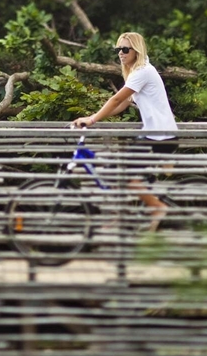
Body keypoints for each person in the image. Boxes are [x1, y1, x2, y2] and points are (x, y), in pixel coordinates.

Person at [73, 31, 178, 231]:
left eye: (125, 49)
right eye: (118, 49)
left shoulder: (143, 71)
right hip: (154, 134)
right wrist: (99, 117)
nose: (120, 53)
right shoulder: (138, 72)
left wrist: (92, 119)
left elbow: (116, 99)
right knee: (116, 172)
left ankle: (157, 208)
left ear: (136, 51)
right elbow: (123, 103)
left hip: (160, 136)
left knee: (123, 174)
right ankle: (124, 214)